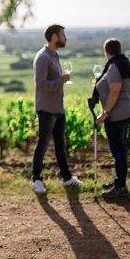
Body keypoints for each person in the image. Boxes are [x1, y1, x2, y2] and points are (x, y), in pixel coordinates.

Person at [32, 24, 83, 194]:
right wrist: (61, 81)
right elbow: (41, 84)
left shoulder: (54, 55)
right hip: (46, 108)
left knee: (61, 144)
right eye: (63, 35)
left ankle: (66, 177)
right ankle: (36, 180)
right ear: (54, 37)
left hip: (57, 108)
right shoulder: (43, 58)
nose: (65, 38)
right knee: (43, 144)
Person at [92, 38, 130, 198]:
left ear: (107, 52)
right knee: (120, 150)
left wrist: (105, 113)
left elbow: (115, 91)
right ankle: (118, 181)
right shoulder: (124, 63)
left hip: (117, 115)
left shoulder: (114, 67)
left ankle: (120, 187)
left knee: (118, 151)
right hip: (126, 111)